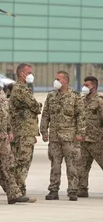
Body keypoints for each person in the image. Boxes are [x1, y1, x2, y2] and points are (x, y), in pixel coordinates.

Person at [0, 65, 30, 205]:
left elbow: (5, 114)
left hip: (3, 136)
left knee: (8, 164)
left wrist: (9, 130)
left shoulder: (1, 92)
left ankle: (13, 194)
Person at [40, 70, 85, 201]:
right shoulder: (51, 96)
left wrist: (80, 133)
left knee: (72, 165)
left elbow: (81, 116)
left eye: (58, 79)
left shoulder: (75, 96)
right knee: (55, 165)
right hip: (54, 137)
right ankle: (53, 190)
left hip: (70, 137)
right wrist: (44, 131)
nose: (56, 81)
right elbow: (46, 114)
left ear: (65, 81)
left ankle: (72, 191)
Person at [8, 63, 41, 199]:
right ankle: (18, 191)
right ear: (21, 74)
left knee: (19, 161)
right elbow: (35, 106)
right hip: (23, 131)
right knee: (23, 162)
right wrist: (38, 105)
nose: (30, 75)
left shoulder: (20, 88)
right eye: (28, 72)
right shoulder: (21, 89)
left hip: (21, 131)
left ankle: (16, 190)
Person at [77, 76, 103, 198]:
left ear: (94, 87)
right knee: (82, 166)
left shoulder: (100, 101)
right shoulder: (81, 101)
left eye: (87, 85)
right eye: (84, 85)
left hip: (97, 140)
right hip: (83, 139)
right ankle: (82, 189)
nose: (84, 87)